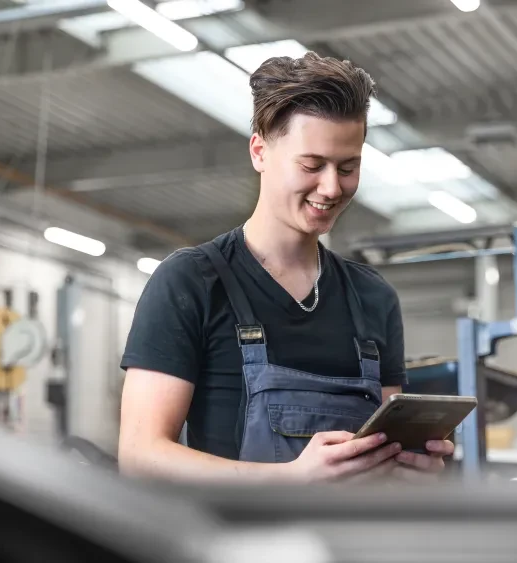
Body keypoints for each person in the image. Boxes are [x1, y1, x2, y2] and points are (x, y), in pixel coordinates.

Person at [118, 52, 454, 483]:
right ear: (260, 151)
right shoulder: (191, 282)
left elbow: (385, 454)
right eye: (312, 166)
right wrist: (292, 480)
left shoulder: (373, 297)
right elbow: (140, 456)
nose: (332, 188)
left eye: (348, 168)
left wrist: (412, 467)